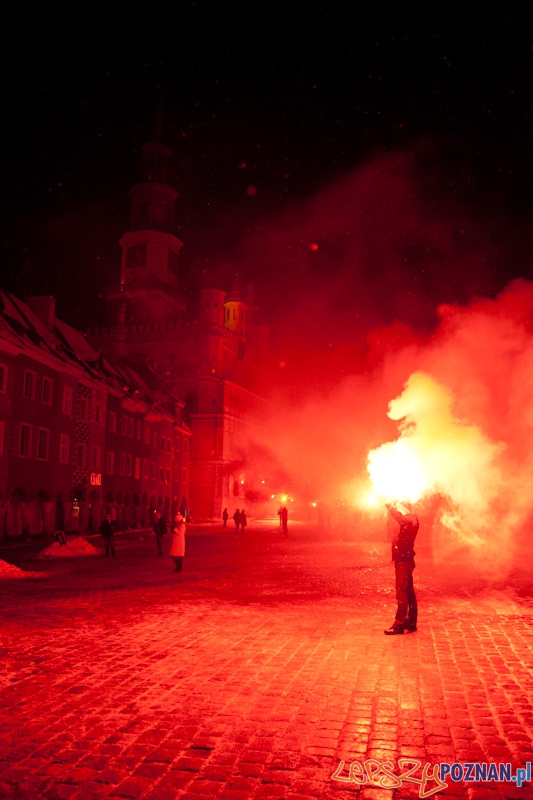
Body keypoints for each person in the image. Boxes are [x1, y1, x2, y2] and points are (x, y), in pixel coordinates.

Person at [384, 501, 419, 635]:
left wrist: (390, 505)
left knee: (402, 594)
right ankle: (411, 622)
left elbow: (400, 518)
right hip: (405, 560)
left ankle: (399, 624)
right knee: (409, 593)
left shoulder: (410, 520)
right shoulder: (411, 519)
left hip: (404, 562)